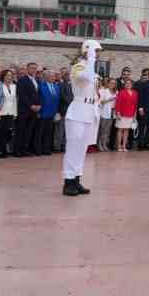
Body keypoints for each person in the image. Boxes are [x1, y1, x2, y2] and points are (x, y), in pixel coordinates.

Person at [62, 41, 100, 196]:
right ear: (87, 51)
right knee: (73, 147)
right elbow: (85, 78)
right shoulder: (78, 67)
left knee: (82, 148)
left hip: (89, 111)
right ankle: (68, 181)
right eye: (95, 51)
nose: (97, 55)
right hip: (77, 111)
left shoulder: (91, 69)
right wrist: (90, 58)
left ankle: (77, 178)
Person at [16, 63, 43, 157]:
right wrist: (31, 105)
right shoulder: (22, 80)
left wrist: (39, 105)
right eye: (32, 68)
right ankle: (18, 150)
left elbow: (38, 94)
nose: (34, 70)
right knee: (21, 130)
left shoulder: (37, 80)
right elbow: (22, 95)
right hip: (24, 109)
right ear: (27, 69)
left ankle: (25, 149)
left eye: (35, 68)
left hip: (34, 110)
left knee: (29, 131)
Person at [38, 68, 61, 157]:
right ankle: (38, 149)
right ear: (46, 77)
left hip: (52, 113)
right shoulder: (41, 86)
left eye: (54, 76)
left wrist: (57, 112)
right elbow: (39, 99)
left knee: (49, 132)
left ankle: (46, 149)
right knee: (40, 132)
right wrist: (39, 111)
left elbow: (57, 100)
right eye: (51, 76)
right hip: (43, 112)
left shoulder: (56, 87)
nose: (53, 78)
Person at [0, 68, 18, 156]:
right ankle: (1, 150)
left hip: (10, 112)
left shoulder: (14, 86)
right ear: (3, 76)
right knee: (1, 132)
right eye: (7, 75)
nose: (9, 77)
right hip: (1, 112)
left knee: (8, 132)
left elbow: (15, 100)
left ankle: (6, 149)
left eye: (10, 75)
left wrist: (15, 113)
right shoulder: (0, 85)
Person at [96, 78, 116, 152]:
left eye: (114, 83)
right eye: (111, 83)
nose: (113, 85)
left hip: (112, 112)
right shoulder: (104, 91)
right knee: (102, 129)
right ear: (108, 84)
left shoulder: (116, 92)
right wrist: (110, 100)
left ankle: (104, 144)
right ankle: (99, 144)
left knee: (107, 130)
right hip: (104, 112)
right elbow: (100, 102)